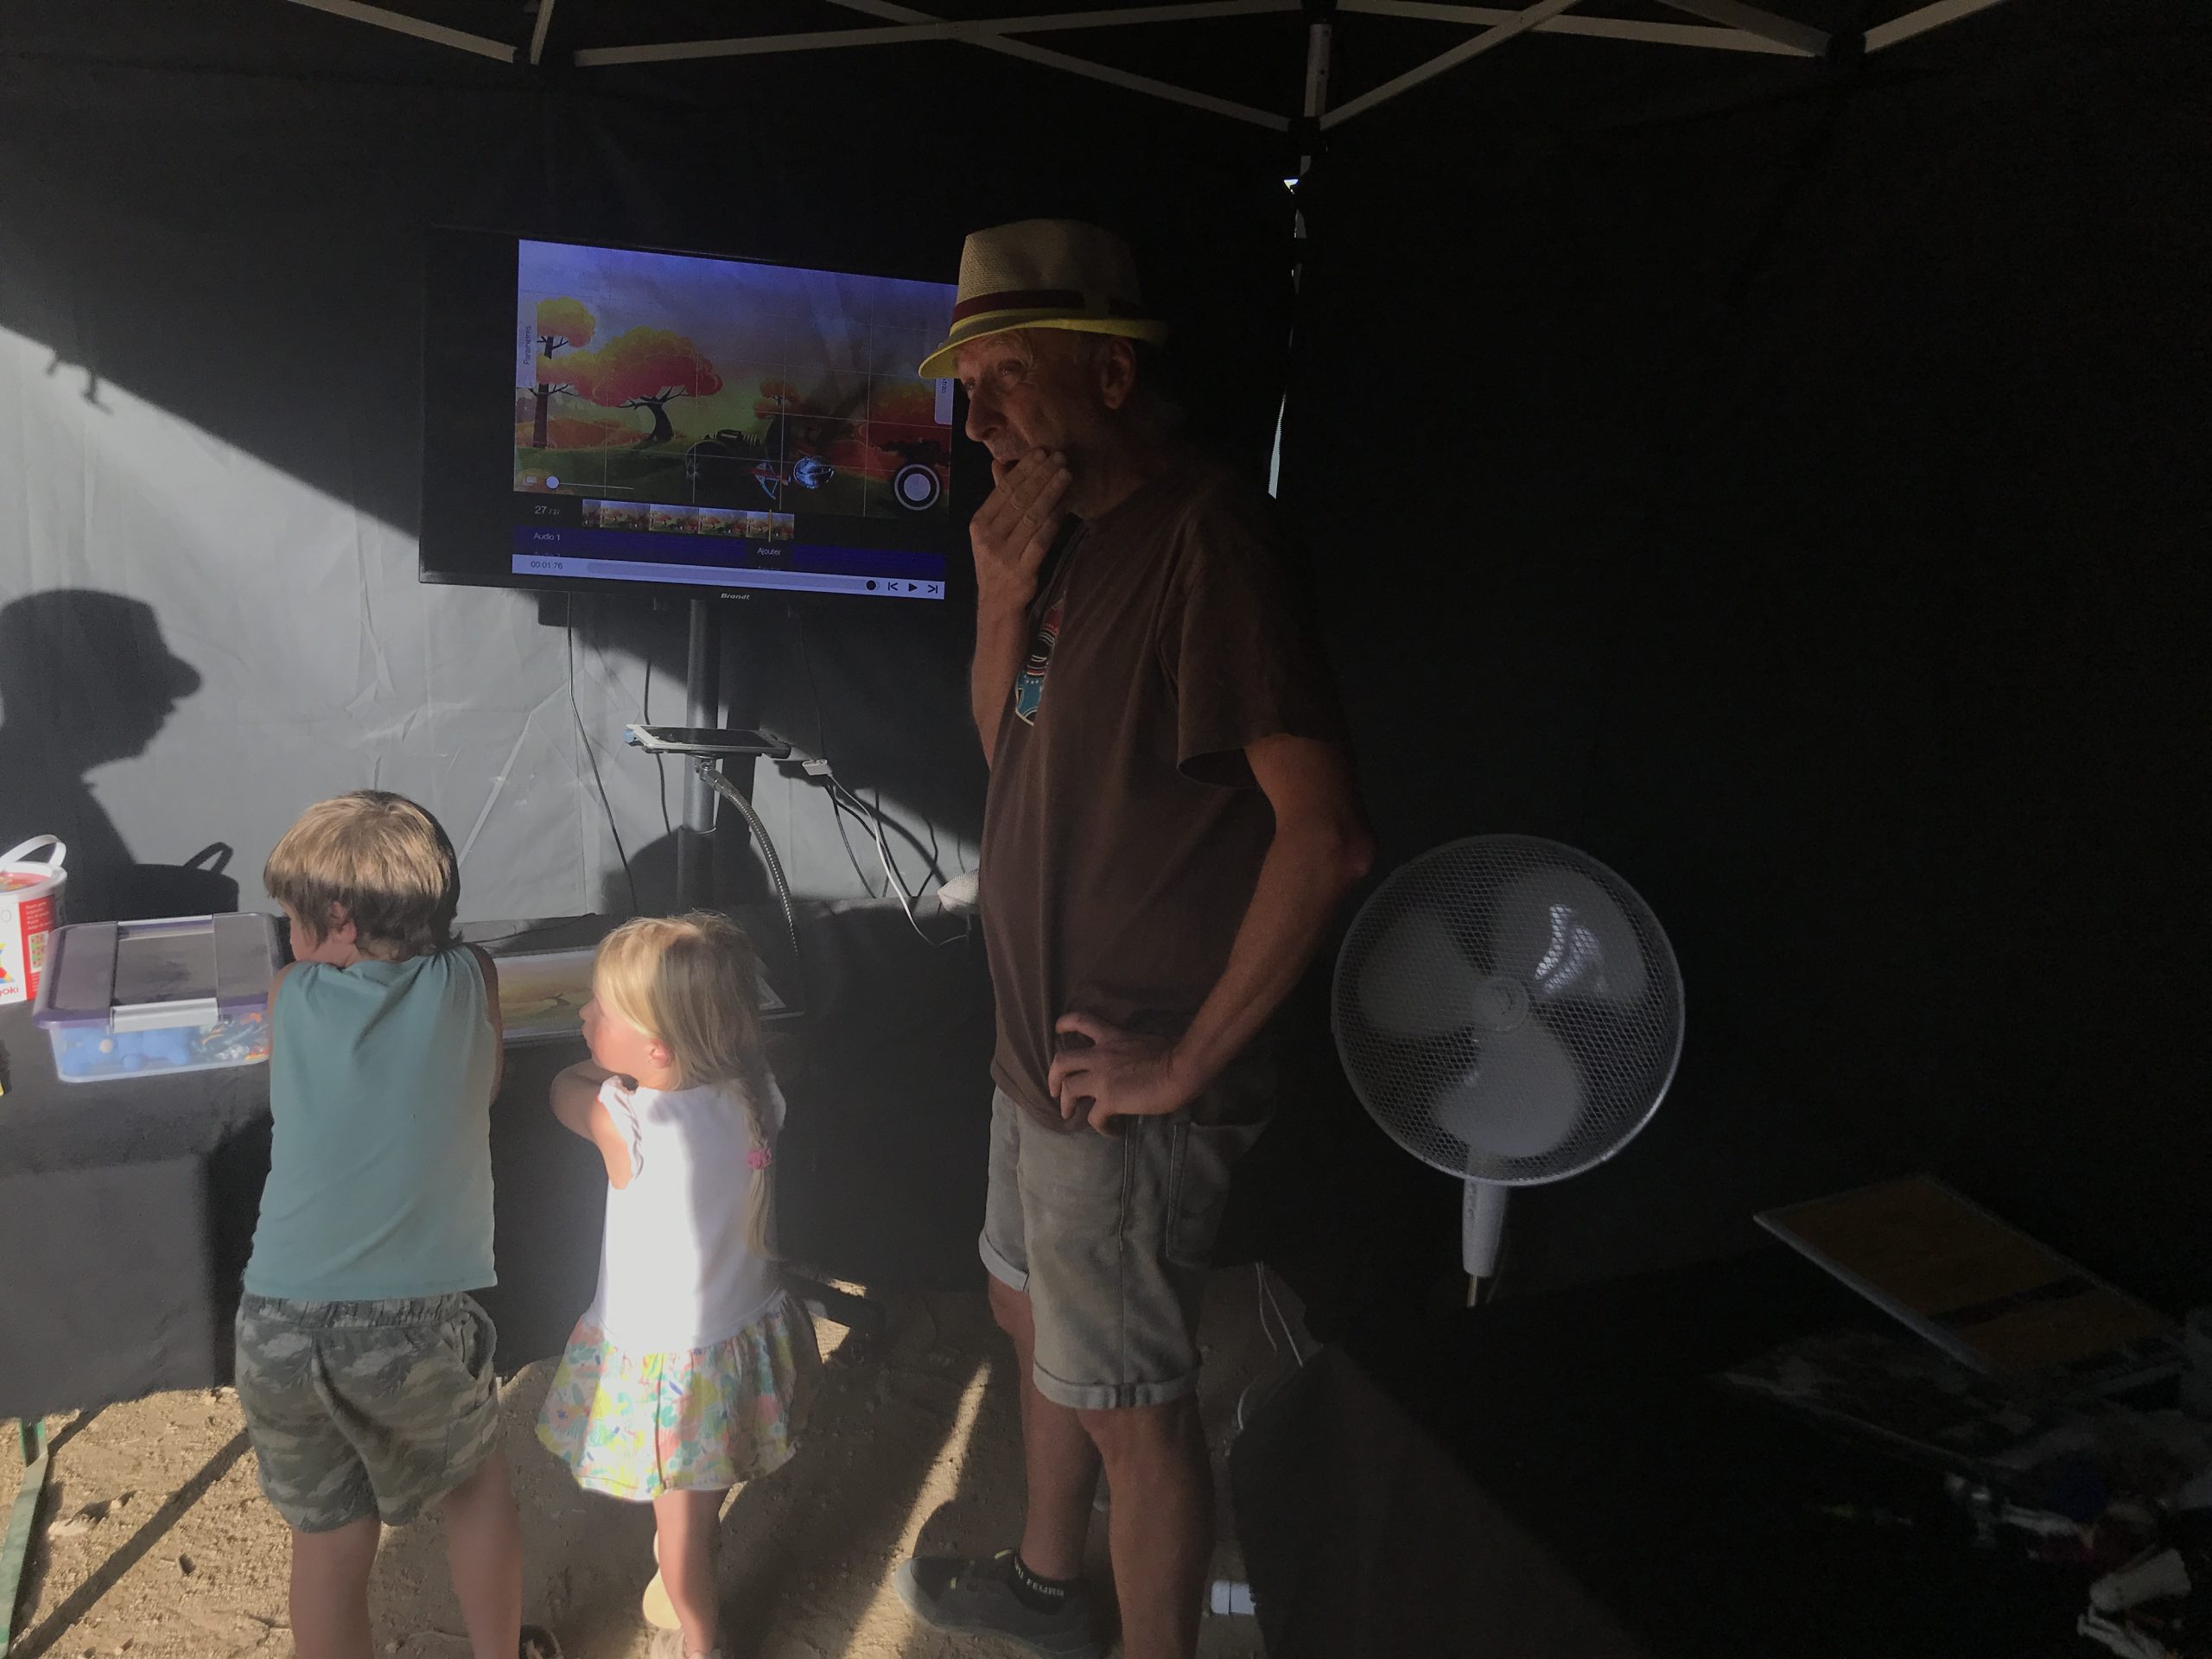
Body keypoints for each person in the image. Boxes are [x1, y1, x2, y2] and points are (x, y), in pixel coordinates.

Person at [894, 221, 1375, 1659]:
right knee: (1027, 1312)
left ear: (1111, 373)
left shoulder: (1212, 539)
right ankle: (1051, 1586)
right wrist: (998, 598)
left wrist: (1182, 1065)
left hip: (1124, 1086)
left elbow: (1327, 839)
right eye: (966, 385)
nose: (979, 417)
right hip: (1039, 1057)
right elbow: (1012, 755)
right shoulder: (1071, 541)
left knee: (1132, 1413)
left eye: (1009, 375)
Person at [232, 791, 556, 1659]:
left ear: (338, 919)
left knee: (330, 1541)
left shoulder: (290, 993)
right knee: (475, 1490)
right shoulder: (472, 977)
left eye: (294, 918)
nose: (289, 937)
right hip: (404, 1323)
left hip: (274, 1324)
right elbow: (487, 1083)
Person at [536, 913, 822, 1659]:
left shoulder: (626, 1122)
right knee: (702, 1489)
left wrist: (611, 1075)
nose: (585, 1015)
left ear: (657, 1048)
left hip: (673, 1375)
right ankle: (692, 1571)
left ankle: (700, 1639)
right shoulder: (756, 1093)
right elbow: (773, 1052)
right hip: (743, 1339)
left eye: (602, 1011)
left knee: (679, 1536)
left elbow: (562, 1085)